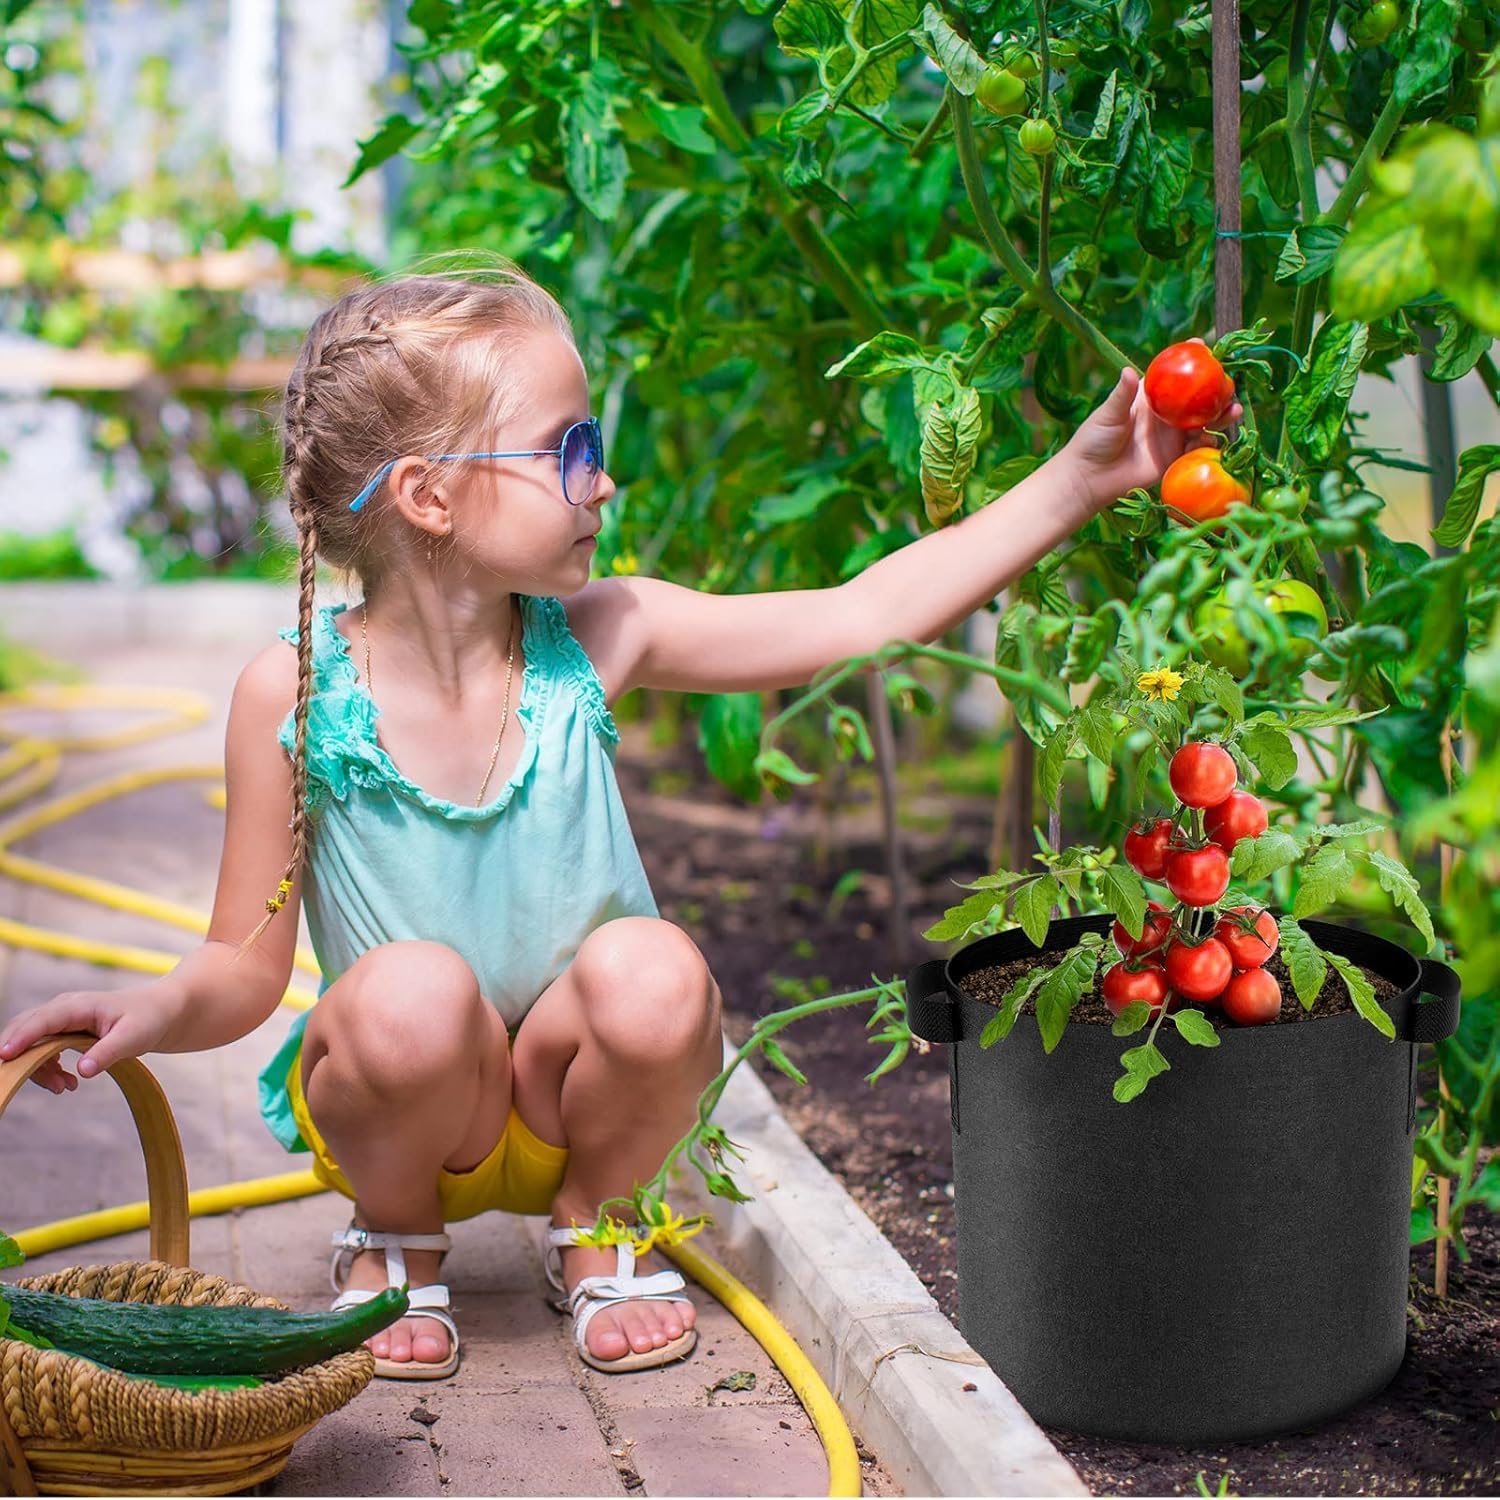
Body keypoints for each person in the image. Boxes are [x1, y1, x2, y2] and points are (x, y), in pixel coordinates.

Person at [0, 263, 1239, 1381]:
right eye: (572, 446)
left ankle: (594, 1226)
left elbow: (865, 614)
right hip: (400, 1106)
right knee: (405, 994)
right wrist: (151, 1012)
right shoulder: (297, 691)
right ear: (430, 497)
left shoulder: (602, 638)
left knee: (656, 970)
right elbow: (242, 960)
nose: (608, 479)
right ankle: (395, 1241)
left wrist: (1082, 479)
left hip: (573, 1105)